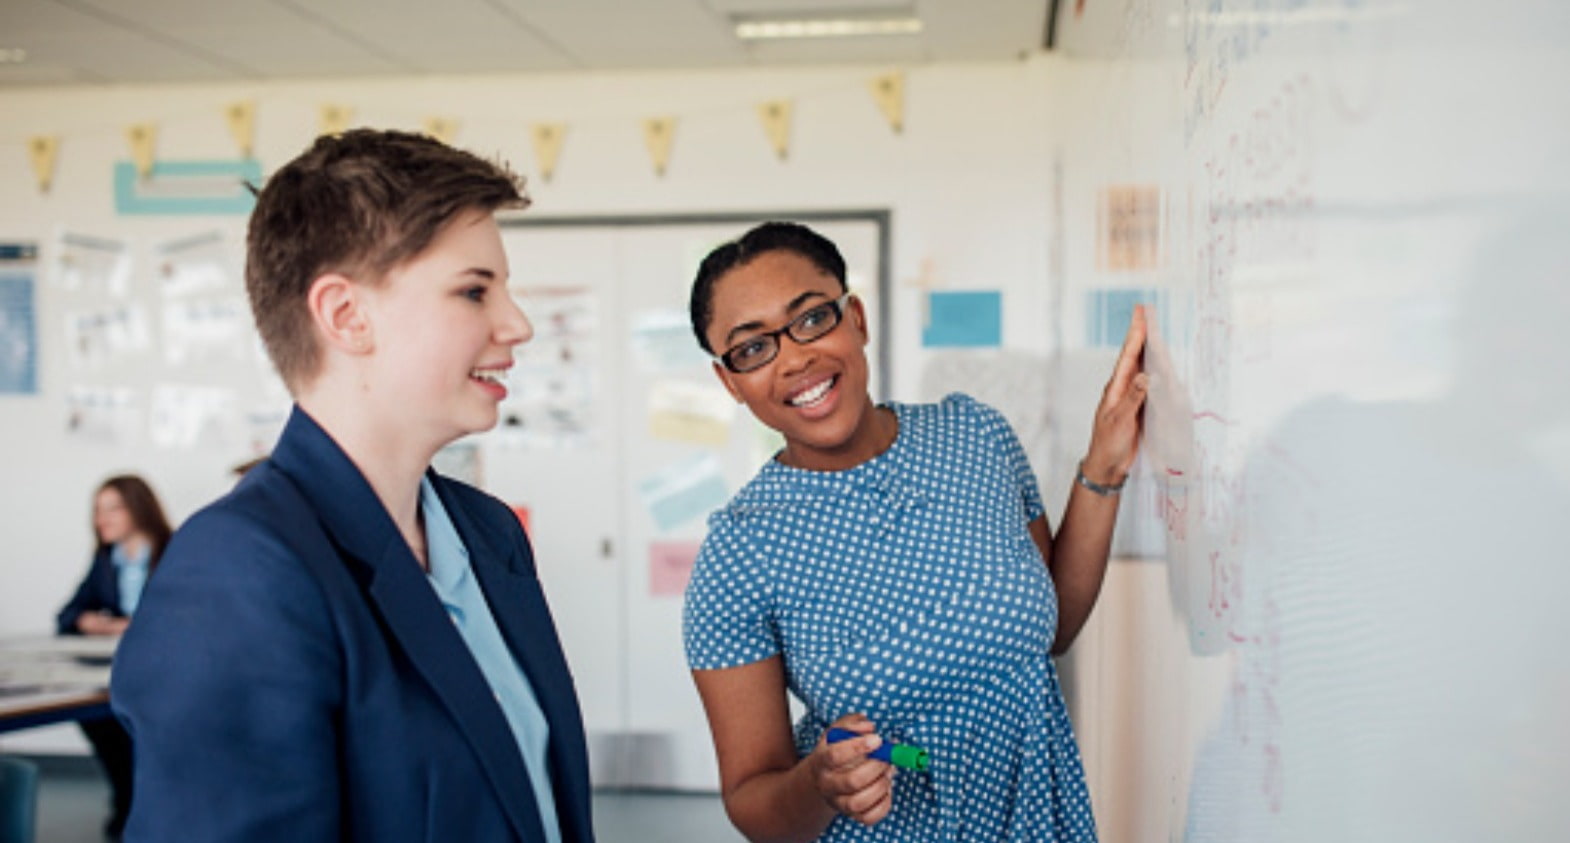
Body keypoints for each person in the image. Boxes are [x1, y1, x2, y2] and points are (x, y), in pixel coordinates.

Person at [109, 129, 595, 843]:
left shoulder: (488, 534)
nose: (515, 323)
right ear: (345, 315)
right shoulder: (238, 570)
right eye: (473, 291)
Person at [681, 221, 1148, 841]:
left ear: (857, 320)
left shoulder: (975, 438)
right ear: (731, 382)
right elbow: (751, 800)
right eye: (752, 349)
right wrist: (820, 781)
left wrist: (1104, 467)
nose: (794, 357)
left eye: (813, 319)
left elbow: (1051, 628)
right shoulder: (739, 552)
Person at [56, 473, 172, 839]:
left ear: (138, 508)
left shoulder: (176, 549)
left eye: (112, 509)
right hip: (116, 671)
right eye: (96, 510)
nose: (100, 520)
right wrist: (101, 624)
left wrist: (130, 625)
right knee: (97, 718)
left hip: (164, 671)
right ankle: (127, 799)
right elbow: (68, 616)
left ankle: (149, 804)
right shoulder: (106, 560)